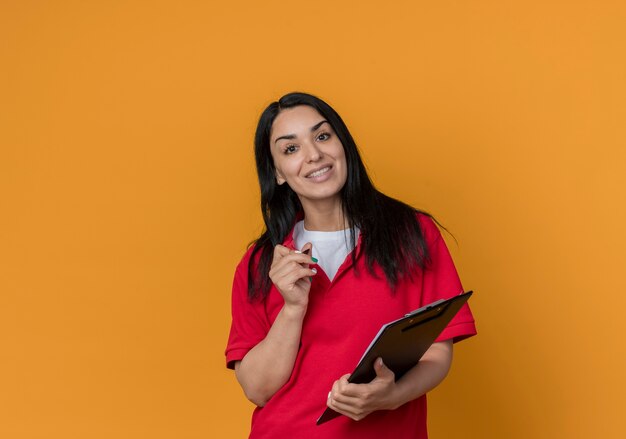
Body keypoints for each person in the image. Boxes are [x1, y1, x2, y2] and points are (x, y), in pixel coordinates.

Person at [225, 92, 476, 439]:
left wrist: (392, 397)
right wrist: (293, 308)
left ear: (343, 144)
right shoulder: (260, 264)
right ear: (278, 173)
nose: (314, 155)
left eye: (323, 136)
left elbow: (437, 351)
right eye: (291, 148)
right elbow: (257, 389)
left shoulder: (412, 234)